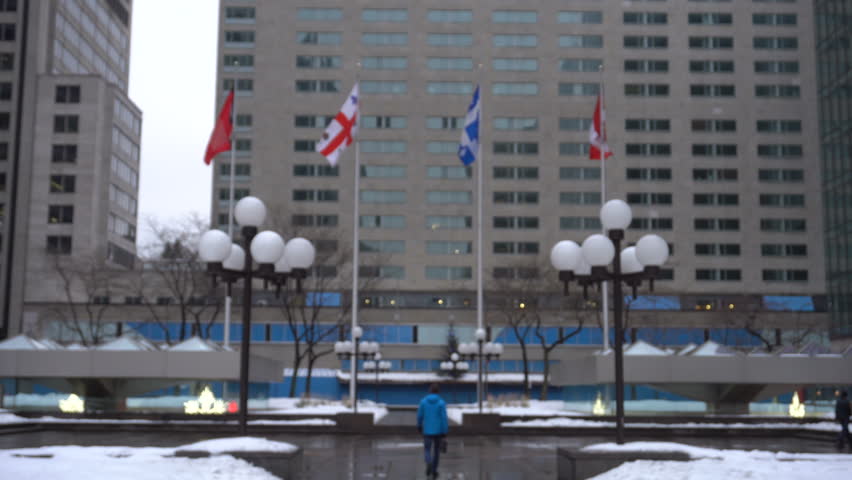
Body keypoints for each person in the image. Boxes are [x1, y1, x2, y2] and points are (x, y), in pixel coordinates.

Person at [417, 383, 448, 478]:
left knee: (427, 449)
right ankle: (434, 470)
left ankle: (428, 461)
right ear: (438, 391)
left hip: (427, 431)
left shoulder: (423, 402)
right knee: (436, 451)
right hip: (438, 431)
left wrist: (419, 426)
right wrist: (445, 431)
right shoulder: (441, 403)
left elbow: (420, 415)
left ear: (429, 391)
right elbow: (444, 418)